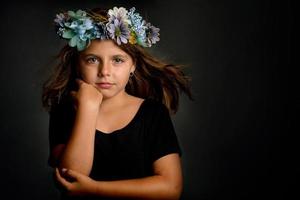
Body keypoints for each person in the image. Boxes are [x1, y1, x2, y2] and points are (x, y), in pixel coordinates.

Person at [42, 6, 193, 200]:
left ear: (133, 66)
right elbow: (70, 178)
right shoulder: (64, 112)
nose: (105, 71)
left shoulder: (153, 114)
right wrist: (88, 108)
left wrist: (95, 189)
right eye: (93, 59)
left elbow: (170, 189)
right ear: (77, 65)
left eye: (118, 60)